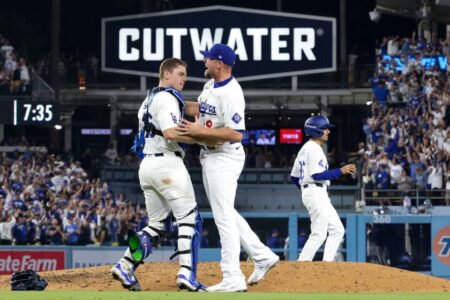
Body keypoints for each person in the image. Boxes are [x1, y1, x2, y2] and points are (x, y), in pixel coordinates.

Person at [179, 44, 279, 292]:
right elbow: (201, 110)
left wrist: (199, 130)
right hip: (210, 155)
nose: (204, 61)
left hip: (224, 156)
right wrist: (170, 100)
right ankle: (263, 256)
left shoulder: (232, 92)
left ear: (219, 63)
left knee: (223, 216)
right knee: (227, 212)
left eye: (208, 58)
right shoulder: (210, 85)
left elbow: (237, 134)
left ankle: (233, 275)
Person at [110, 58, 217, 292]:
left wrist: (208, 105)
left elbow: (187, 107)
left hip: (147, 167)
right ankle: (187, 275)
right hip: (167, 165)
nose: (184, 78)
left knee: (157, 226)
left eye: (185, 74)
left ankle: (125, 265)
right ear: (166, 75)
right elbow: (170, 132)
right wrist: (202, 137)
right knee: (191, 219)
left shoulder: (150, 99)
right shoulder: (167, 98)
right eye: (180, 73)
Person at [290, 115, 356, 261]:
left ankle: (327, 264)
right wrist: (341, 171)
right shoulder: (314, 149)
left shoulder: (305, 149)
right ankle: (301, 266)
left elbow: (294, 177)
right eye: (325, 129)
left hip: (313, 191)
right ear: (316, 131)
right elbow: (316, 175)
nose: (328, 131)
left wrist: (305, 190)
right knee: (319, 234)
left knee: (337, 230)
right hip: (315, 191)